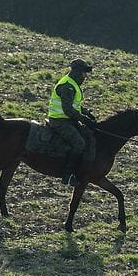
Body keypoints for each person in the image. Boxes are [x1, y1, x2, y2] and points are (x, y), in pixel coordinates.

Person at [47, 58, 98, 186]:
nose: (85, 76)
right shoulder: (67, 86)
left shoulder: (72, 84)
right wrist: (85, 120)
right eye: (83, 73)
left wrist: (87, 113)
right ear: (77, 72)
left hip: (67, 120)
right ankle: (67, 175)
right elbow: (68, 110)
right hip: (59, 121)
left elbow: (74, 105)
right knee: (79, 143)